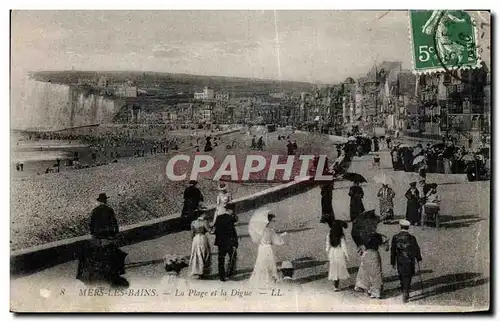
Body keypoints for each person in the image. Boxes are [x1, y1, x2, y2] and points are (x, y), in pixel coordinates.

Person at [76, 193, 129, 288]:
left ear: (99, 201)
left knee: (97, 252)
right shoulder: (109, 210)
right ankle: (113, 271)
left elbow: (91, 225)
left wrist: (94, 234)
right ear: (105, 201)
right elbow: (114, 223)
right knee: (112, 251)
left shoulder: (95, 211)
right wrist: (115, 233)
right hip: (108, 236)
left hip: (97, 236)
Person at [249, 213, 287, 288]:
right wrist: (282, 235)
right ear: (268, 222)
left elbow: (256, 239)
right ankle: (269, 281)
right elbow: (276, 241)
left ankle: (261, 281)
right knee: (269, 264)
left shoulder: (259, 230)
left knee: (260, 263)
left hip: (261, 248)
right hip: (268, 248)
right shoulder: (270, 230)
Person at [391, 220, 422, 303]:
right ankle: (406, 291)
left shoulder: (395, 237)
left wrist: (392, 262)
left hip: (400, 260)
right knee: (408, 276)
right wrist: (418, 258)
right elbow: (416, 249)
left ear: (400, 227)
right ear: (408, 227)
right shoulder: (412, 237)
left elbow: (393, 251)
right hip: (410, 260)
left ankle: (403, 290)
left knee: (401, 275)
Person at [354, 232, 389, 299]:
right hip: (374, 254)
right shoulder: (378, 235)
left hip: (366, 254)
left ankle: (367, 289)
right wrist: (386, 241)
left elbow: (360, 250)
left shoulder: (364, 235)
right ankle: (375, 292)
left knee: (366, 272)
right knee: (376, 274)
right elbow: (386, 249)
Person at [213, 203, 238, 282]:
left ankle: (221, 276)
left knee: (221, 259)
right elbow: (232, 232)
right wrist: (235, 243)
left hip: (221, 241)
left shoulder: (219, 217)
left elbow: (216, 231)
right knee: (232, 257)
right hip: (229, 242)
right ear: (231, 210)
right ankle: (229, 273)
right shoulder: (230, 219)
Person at [326, 220, 350, 291]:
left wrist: (328, 253)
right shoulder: (341, 236)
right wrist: (347, 255)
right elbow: (344, 246)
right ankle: (336, 285)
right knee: (338, 269)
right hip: (339, 252)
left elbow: (327, 245)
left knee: (333, 268)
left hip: (332, 252)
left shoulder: (329, 234)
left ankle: (335, 285)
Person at [188, 208, 211, 279]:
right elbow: (210, 231)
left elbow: (192, 233)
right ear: (202, 214)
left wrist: (193, 241)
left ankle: (196, 271)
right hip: (202, 238)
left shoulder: (193, 222)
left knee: (196, 254)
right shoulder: (204, 222)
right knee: (204, 253)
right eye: (204, 213)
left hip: (195, 239)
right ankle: (202, 271)